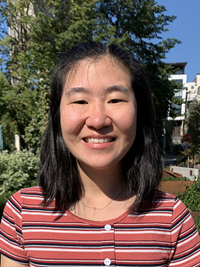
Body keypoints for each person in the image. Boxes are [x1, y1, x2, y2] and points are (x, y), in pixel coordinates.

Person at [0, 42, 199, 267]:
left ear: (139, 112)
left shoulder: (172, 218)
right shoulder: (23, 213)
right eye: (80, 101)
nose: (97, 120)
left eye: (115, 100)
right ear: (57, 115)